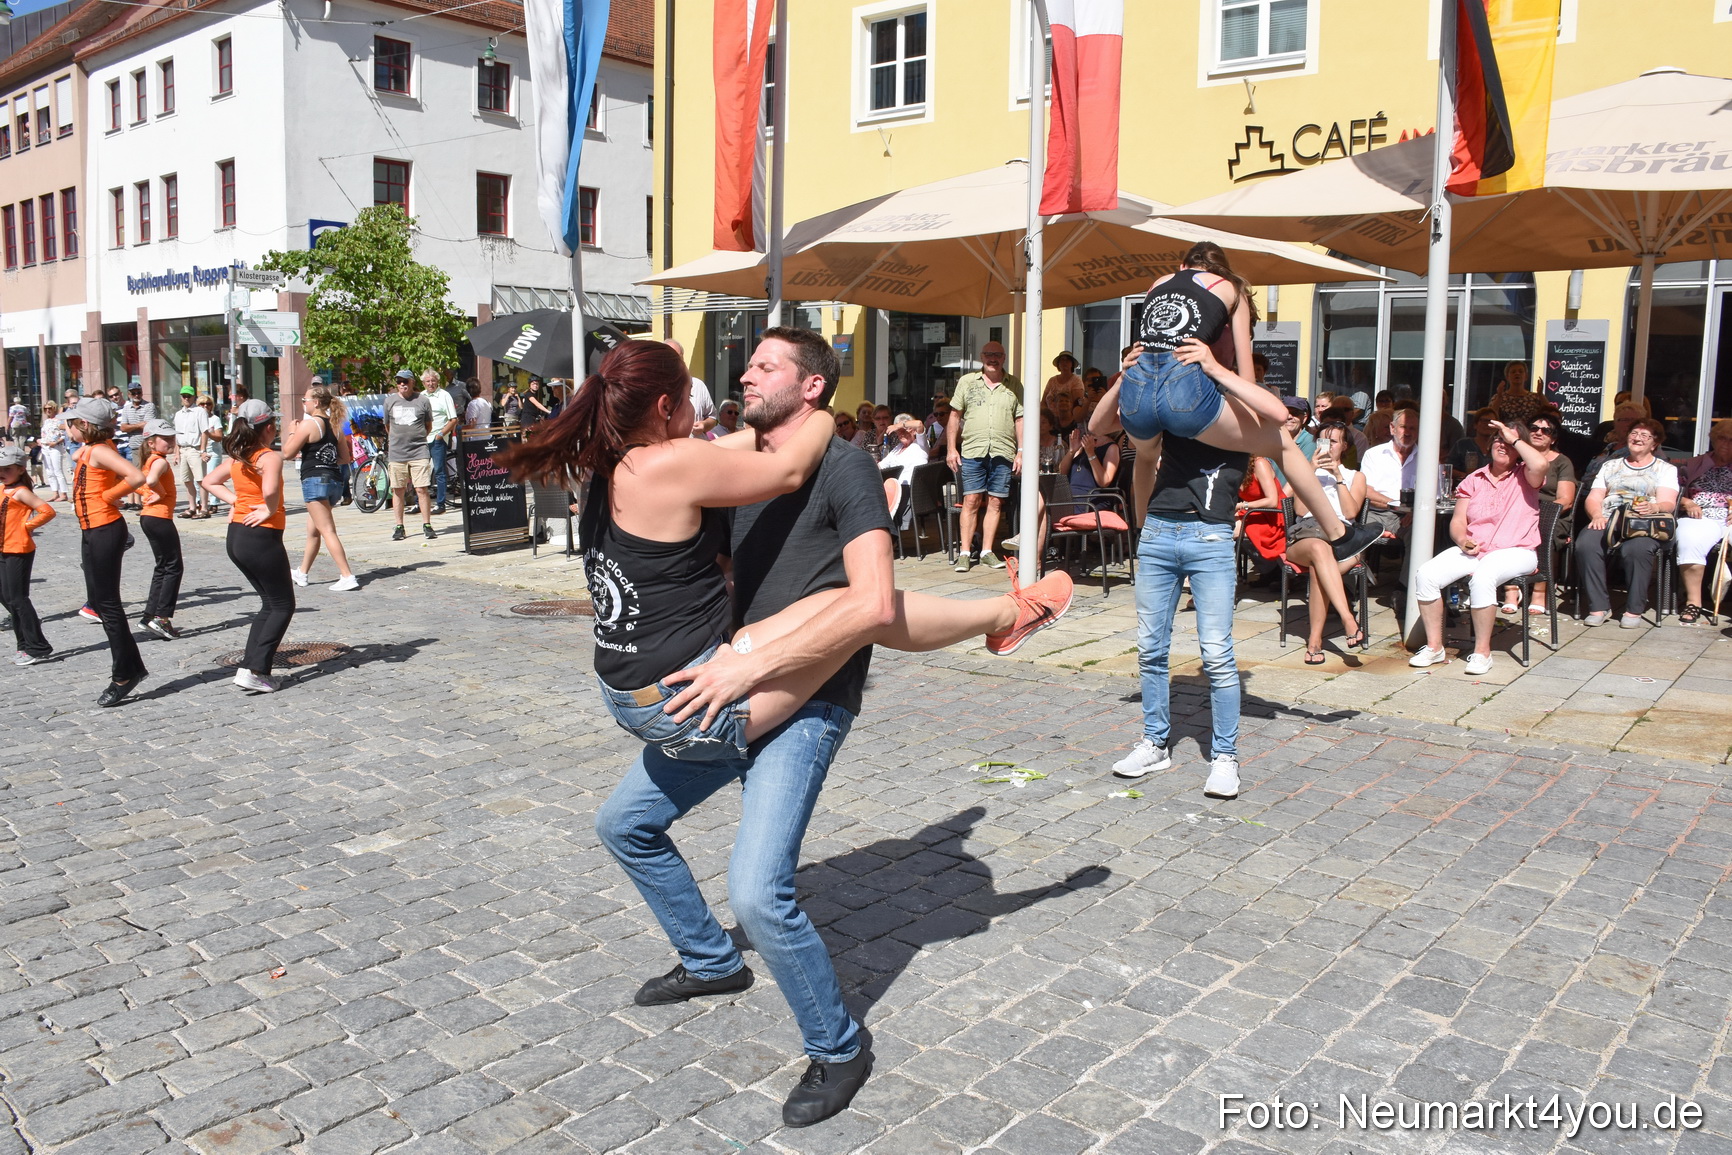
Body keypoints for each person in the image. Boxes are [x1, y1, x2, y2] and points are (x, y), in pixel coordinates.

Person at [509, 334, 1070, 1126]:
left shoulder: (839, 465)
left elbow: (874, 606)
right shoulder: (707, 457)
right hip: (709, 688)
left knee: (759, 892)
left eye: (764, 365)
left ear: (811, 386)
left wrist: (741, 664)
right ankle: (711, 961)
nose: (743, 373)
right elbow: (747, 468)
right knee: (625, 824)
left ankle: (838, 1047)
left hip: (792, 694)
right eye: (745, 367)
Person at [1100, 243, 1383, 565]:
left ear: (1182, 266)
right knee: (1281, 444)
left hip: (1137, 394)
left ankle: (1141, 532)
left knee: (1146, 457)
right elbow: (1246, 373)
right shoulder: (1232, 289)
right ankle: (1340, 534)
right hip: (1184, 396)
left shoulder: (1158, 284)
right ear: (1220, 270)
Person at [1409, 420, 1549, 674]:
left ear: (1520, 448)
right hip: (1478, 549)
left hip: (1517, 550)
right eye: (1498, 439)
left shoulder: (1525, 475)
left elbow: (1540, 463)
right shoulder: (1474, 479)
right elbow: (1458, 522)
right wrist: (1463, 540)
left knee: (1484, 576)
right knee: (1427, 574)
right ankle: (1434, 646)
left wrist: (1514, 438)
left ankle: (1482, 652)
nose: (1502, 444)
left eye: (1508, 442)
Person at [202, 400, 295, 693]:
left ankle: (250, 667)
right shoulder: (269, 457)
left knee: (269, 603)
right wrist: (268, 509)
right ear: (268, 428)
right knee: (282, 605)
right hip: (260, 537)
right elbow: (269, 490)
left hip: (237, 537)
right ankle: (256, 670)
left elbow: (209, 481)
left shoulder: (238, 457)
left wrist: (236, 502)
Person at [66, 398, 148, 705]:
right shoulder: (91, 449)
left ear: (85, 425)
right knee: (101, 602)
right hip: (92, 530)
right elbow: (79, 454)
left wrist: (110, 496)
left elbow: (136, 477)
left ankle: (124, 674)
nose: (68, 427)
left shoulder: (100, 449)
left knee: (108, 606)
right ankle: (133, 667)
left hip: (104, 529)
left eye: (73, 423)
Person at [1575, 418, 1678, 628]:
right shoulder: (1609, 466)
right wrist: (1596, 515)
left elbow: (1668, 502)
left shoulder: (1665, 469)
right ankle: (1599, 606)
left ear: (1654, 443)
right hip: (1609, 519)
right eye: (1634, 433)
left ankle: (1634, 609)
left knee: (1637, 549)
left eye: (1644, 435)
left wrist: (1655, 508)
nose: (1637, 438)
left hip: (1643, 522)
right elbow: (1594, 497)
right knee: (1585, 544)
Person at [1286, 424, 1370, 664]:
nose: (1328, 447)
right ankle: (1348, 619)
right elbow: (1301, 510)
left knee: (1318, 568)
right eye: (1323, 441)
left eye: (1333, 442)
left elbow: (1351, 511)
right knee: (1319, 549)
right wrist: (1311, 471)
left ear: (1344, 447)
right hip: (1307, 536)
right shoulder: (1307, 473)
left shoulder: (1356, 476)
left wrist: (1338, 478)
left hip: (1343, 541)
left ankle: (1314, 642)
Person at [947, 340, 1022, 572]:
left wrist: (1021, 451)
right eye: (988, 354)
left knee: (996, 501)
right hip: (973, 450)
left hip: (1003, 450)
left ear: (1004, 358)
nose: (992, 358)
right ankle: (965, 553)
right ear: (981, 356)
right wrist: (951, 448)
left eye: (997, 354)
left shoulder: (1014, 385)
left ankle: (988, 551)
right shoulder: (967, 382)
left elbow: (1020, 419)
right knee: (971, 500)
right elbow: (954, 416)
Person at [1498, 412, 1576, 617]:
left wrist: (1536, 514)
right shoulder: (1516, 457)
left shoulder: (1562, 462)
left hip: (1551, 516)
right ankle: (1511, 591)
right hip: (1517, 513)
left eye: (1546, 430)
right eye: (1534, 428)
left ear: (1554, 438)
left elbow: (1566, 500)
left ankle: (1539, 593)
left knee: (1540, 532)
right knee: (1503, 531)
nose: (1539, 432)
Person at [285, 384, 360, 592]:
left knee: (327, 530)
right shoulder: (335, 425)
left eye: (305, 400)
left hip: (315, 481)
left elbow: (287, 453)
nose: (303, 403)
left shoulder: (309, 425)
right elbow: (345, 457)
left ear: (315, 403)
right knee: (314, 530)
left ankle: (347, 575)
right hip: (334, 481)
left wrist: (292, 432)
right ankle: (302, 572)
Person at [0, 445, 56, 666]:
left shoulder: (21, 492)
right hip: (3, 548)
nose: (2, 472)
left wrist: (27, 526)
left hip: (18, 549)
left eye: (7, 469)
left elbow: (47, 511)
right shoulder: (3, 488)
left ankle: (35, 646)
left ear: (21, 469)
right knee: (7, 597)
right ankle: (24, 643)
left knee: (17, 599)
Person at [1675, 418, 1732, 624]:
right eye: (1721, 438)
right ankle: (1694, 602)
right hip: (1701, 515)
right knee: (1689, 537)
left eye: (1731, 440)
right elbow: (1673, 492)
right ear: (1713, 440)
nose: (1726, 443)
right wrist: (1687, 502)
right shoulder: (1694, 464)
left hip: (1729, 516)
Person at [135, 420, 185, 641]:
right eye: (165, 438)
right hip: (159, 518)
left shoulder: (149, 460)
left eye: (172, 437)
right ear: (151, 441)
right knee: (174, 567)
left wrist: (151, 492)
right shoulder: (160, 462)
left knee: (163, 567)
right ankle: (161, 618)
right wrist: (162, 493)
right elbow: (152, 480)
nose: (170, 441)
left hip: (149, 517)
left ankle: (149, 616)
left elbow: (139, 481)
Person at [384, 369, 436, 541]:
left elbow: (428, 425)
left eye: (405, 381)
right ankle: (399, 526)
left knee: (422, 488)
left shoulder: (423, 400)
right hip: (397, 453)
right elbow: (388, 426)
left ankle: (427, 524)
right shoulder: (390, 401)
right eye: (399, 381)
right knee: (397, 490)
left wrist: (417, 437)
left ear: (413, 382)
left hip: (419, 450)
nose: (402, 385)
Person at [1359, 406, 1420, 538]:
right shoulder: (1374, 454)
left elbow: (1435, 495)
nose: (1407, 433)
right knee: (1358, 536)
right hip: (1377, 514)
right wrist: (1396, 505)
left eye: (1412, 428)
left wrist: (1416, 511)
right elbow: (1366, 491)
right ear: (1393, 428)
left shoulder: (1427, 459)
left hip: (1413, 516)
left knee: (1420, 534)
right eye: (1403, 427)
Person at [169, 385, 211, 518]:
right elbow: (177, 434)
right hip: (183, 449)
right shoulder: (178, 414)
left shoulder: (200, 411)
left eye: (189, 396)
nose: (186, 398)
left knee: (200, 479)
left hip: (195, 449)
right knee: (186, 480)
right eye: (184, 396)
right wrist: (176, 453)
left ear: (194, 397)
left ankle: (204, 508)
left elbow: (204, 431)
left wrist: (203, 450)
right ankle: (192, 507)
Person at [422, 369, 459, 515]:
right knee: (421, 472)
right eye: (428, 381)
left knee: (439, 472)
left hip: (437, 439)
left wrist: (440, 434)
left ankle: (440, 503)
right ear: (423, 383)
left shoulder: (444, 395)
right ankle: (420, 503)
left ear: (437, 381)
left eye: (433, 380)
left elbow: (453, 419)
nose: (430, 383)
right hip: (423, 439)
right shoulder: (421, 397)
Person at [665, 338, 717, 436]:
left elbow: (713, 418)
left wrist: (704, 425)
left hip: (697, 448)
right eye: (670, 357)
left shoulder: (698, 385)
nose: (674, 361)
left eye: (678, 357)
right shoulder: (656, 388)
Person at [1449, 408, 1498, 475]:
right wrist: (1468, 477)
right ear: (1475, 425)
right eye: (1483, 421)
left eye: (1491, 422)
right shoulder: (1462, 444)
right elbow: (1449, 468)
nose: (1487, 424)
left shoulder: (1500, 446)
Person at [37, 401, 69, 503]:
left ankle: (63, 493)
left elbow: (64, 435)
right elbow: (44, 434)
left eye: (50, 408)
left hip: (55, 447)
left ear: (54, 408)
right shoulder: (46, 421)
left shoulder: (59, 420)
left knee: (57, 470)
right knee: (49, 471)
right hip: (45, 447)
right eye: (46, 409)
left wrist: (56, 442)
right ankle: (55, 493)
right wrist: (40, 441)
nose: (48, 410)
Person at [1042, 351, 1085, 419]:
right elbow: (1043, 402)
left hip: (1068, 420)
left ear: (1072, 364)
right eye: (1062, 360)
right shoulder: (1052, 380)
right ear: (1058, 364)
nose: (1064, 362)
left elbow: (1077, 404)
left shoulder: (1076, 381)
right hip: (1050, 419)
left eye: (1067, 360)